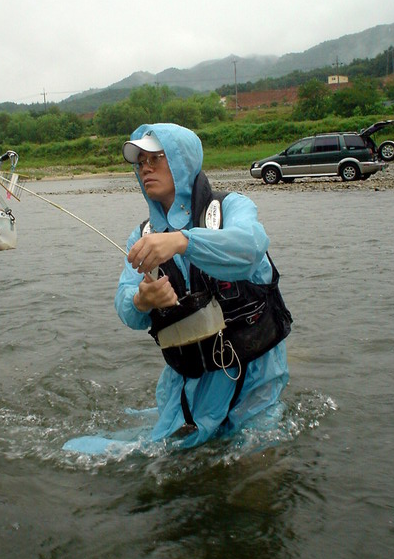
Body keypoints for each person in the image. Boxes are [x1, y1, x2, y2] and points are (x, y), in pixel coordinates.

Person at [115, 122, 290, 447]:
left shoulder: (232, 207)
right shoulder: (142, 236)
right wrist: (143, 299)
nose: (145, 168)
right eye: (140, 162)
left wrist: (183, 241)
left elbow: (250, 246)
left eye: (155, 158)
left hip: (253, 379)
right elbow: (125, 305)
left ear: (182, 160)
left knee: (256, 477)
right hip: (188, 386)